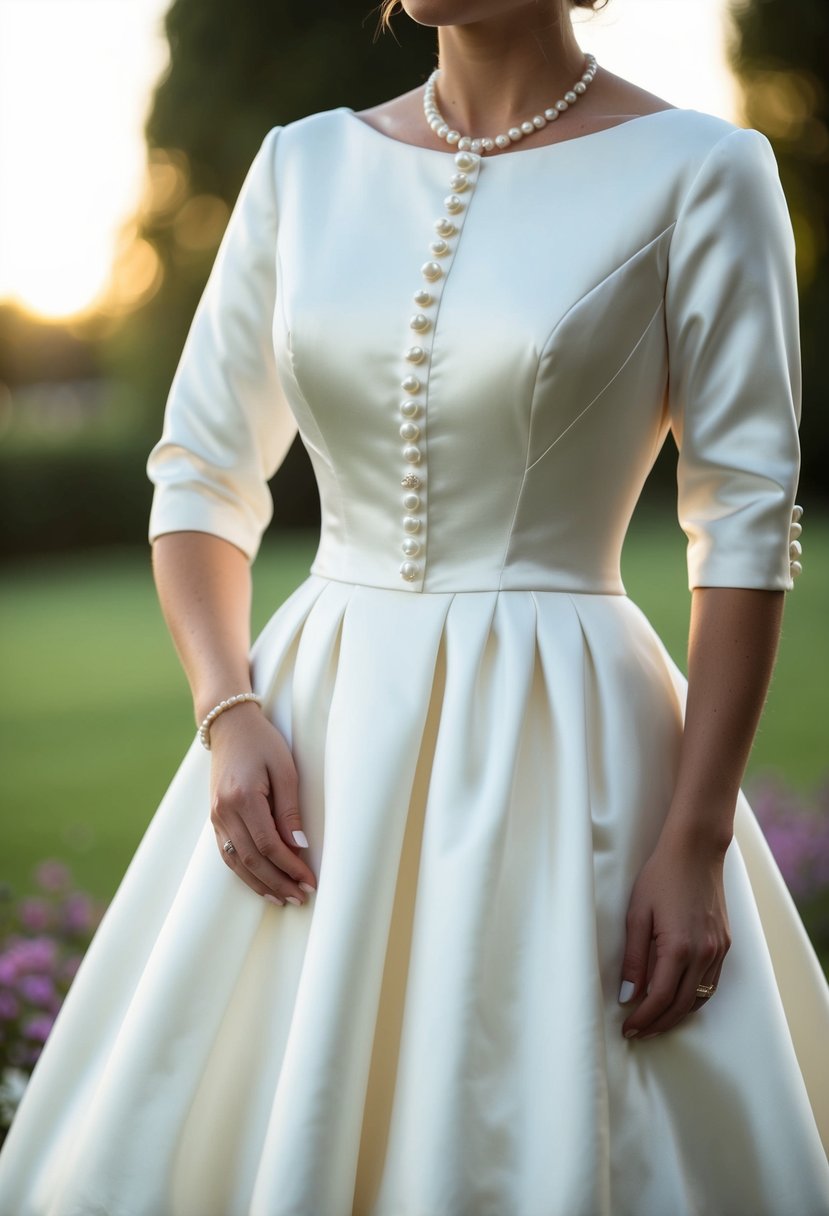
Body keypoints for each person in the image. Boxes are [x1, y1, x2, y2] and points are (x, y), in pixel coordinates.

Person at [2, 0, 829, 1211]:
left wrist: (696, 838)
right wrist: (228, 710)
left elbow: (747, 528)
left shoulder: (704, 171)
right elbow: (198, 474)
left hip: (569, 751)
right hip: (314, 748)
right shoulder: (301, 164)